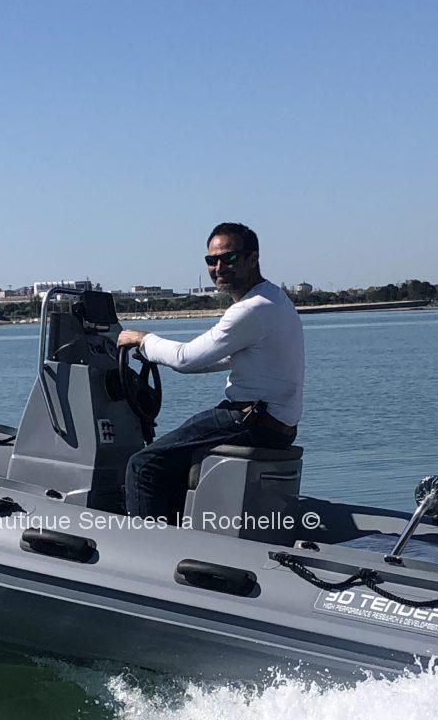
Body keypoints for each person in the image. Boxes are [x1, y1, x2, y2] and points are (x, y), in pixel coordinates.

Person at [116, 222, 305, 522]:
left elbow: (186, 359)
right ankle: (183, 534)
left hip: (252, 420)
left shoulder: (251, 309)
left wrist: (142, 340)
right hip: (274, 422)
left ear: (253, 259)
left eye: (228, 258)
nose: (219, 267)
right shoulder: (274, 298)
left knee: (144, 464)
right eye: (211, 260)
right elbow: (223, 359)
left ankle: (149, 550)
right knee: (175, 461)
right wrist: (148, 353)